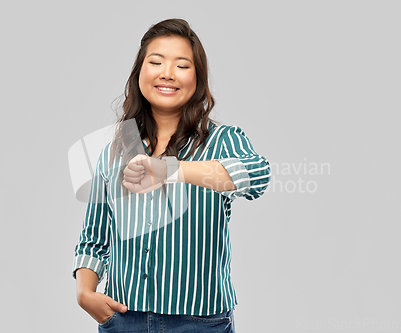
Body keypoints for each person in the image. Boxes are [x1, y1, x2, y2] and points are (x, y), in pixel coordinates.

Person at [73, 18, 271, 333]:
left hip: (199, 322)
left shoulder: (222, 141)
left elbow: (257, 175)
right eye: (156, 62)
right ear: (140, 72)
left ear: (199, 79)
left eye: (182, 65)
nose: (167, 73)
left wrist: (169, 170)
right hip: (124, 319)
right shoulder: (114, 151)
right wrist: (85, 293)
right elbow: (94, 239)